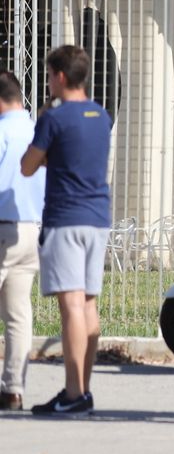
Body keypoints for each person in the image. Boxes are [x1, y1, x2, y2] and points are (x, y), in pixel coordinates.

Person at [21, 46, 111, 416]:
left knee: (71, 304)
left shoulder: (54, 119)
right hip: (98, 216)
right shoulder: (100, 115)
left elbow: (28, 166)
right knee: (88, 302)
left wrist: (44, 121)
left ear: (59, 75)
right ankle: (82, 389)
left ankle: (73, 393)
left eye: (49, 75)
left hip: (66, 216)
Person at [0, 70, 41, 410]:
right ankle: (14, 389)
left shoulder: (2, 132)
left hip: (3, 227)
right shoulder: (37, 131)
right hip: (34, 229)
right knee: (18, 313)